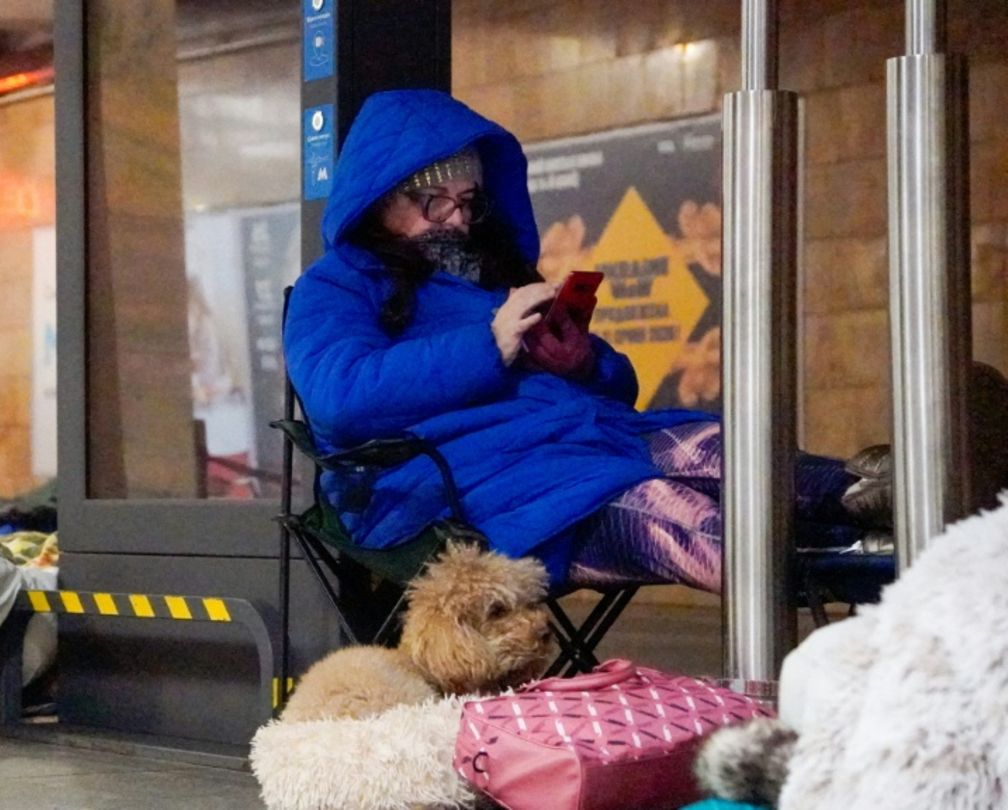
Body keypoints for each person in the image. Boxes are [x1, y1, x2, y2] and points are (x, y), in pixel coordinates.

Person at [283, 89, 866, 593]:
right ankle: (849, 563)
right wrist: (488, 345)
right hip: (456, 485)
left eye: (467, 202)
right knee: (668, 511)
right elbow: (339, 399)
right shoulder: (335, 286)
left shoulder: (493, 272)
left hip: (582, 442)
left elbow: (617, 394)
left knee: (730, 452)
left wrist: (583, 363)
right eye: (433, 201)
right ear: (381, 197)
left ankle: (877, 505)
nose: (456, 220)